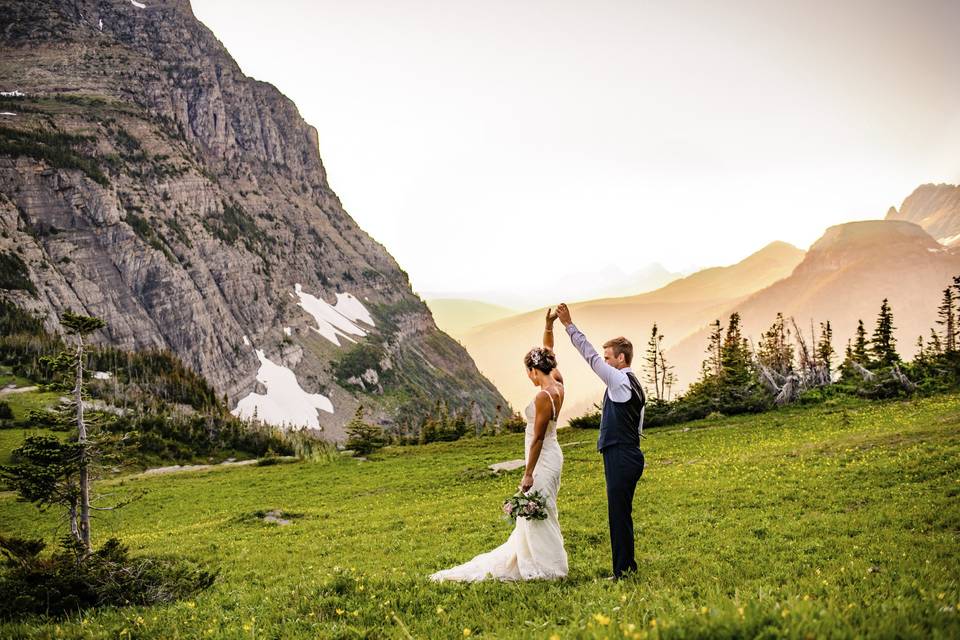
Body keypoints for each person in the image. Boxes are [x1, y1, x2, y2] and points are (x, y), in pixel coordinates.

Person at [429, 310, 568, 582]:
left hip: (541, 459)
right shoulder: (559, 384)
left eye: (528, 372)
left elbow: (538, 438)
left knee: (536, 511)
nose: (528, 377)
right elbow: (548, 350)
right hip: (555, 456)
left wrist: (528, 473)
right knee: (545, 508)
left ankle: (541, 567)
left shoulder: (543, 397)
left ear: (533, 371)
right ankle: (549, 562)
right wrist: (548, 325)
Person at [555, 302, 645, 579]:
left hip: (620, 455)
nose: (604, 361)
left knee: (618, 516)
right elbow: (638, 424)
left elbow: (590, 356)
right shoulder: (635, 384)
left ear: (620, 359)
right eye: (606, 358)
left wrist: (569, 326)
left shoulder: (618, 381)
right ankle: (626, 568)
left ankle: (622, 572)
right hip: (630, 453)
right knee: (622, 515)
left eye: (609, 358)